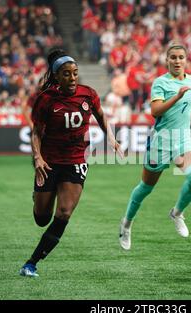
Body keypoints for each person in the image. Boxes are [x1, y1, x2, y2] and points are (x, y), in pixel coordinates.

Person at [20, 49, 123, 277]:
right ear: (57, 76)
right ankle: (40, 195)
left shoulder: (88, 94)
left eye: (75, 73)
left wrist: (112, 138)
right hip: (49, 162)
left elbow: (101, 115)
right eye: (67, 74)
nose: (73, 78)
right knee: (41, 218)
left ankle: (31, 263)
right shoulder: (46, 99)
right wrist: (37, 157)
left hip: (75, 161)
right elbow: (36, 132)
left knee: (64, 212)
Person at [119, 44, 191, 250]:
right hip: (161, 141)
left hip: (183, 139)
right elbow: (155, 111)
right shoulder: (160, 83)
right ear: (167, 61)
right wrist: (176, 96)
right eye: (173, 57)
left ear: (186, 60)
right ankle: (127, 223)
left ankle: (177, 213)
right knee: (145, 188)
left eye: (181, 57)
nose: (177, 61)